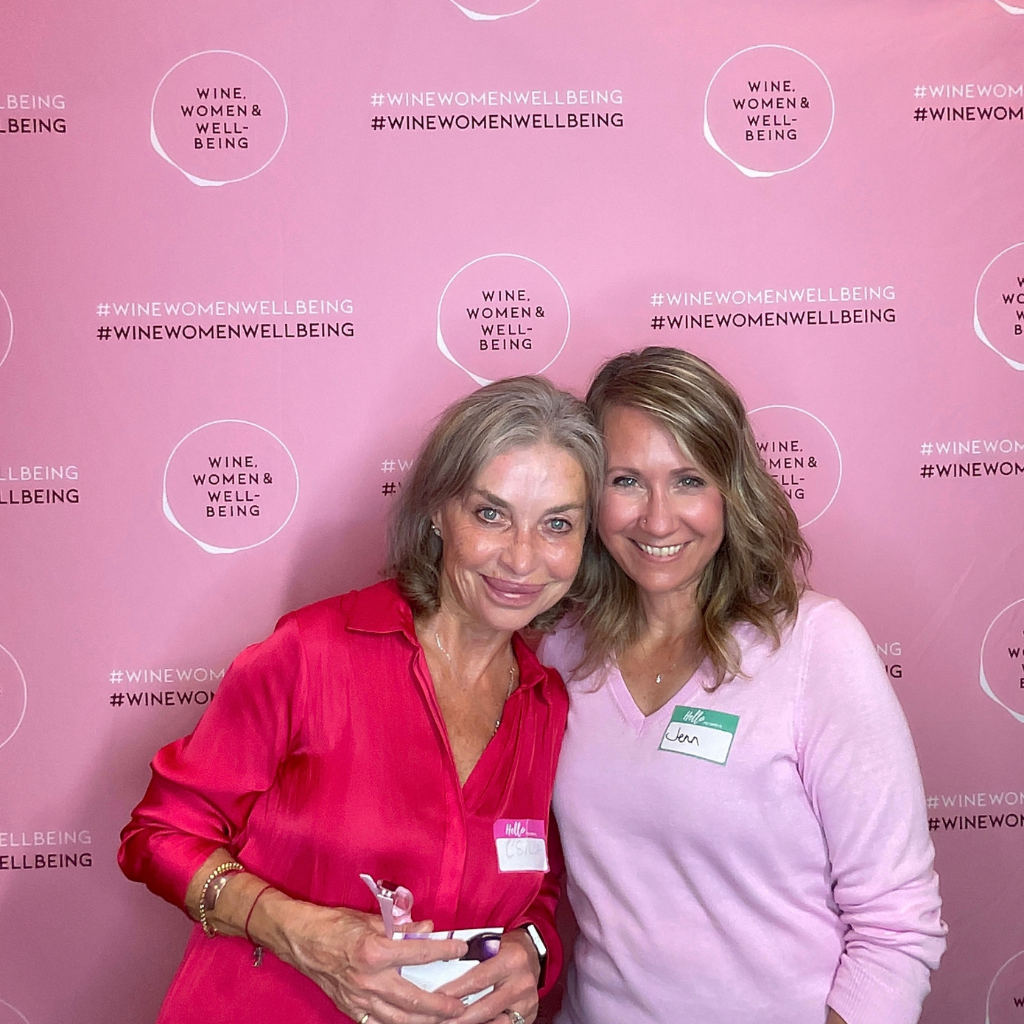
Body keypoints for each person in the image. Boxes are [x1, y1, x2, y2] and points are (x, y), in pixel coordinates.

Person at [119, 376, 604, 1024]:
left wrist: (533, 951)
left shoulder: (545, 707)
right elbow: (158, 834)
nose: (521, 558)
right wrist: (302, 933)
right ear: (437, 512)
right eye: (491, 514)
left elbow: (536, 886)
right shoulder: (312, 653)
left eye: (556, 525)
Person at [539, 347, 946, 1024]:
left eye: (690, 480)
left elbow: (898, 923)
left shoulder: (816, 646)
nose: (659, 519)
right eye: (627, 481)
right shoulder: (559, 649)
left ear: (732, 489)